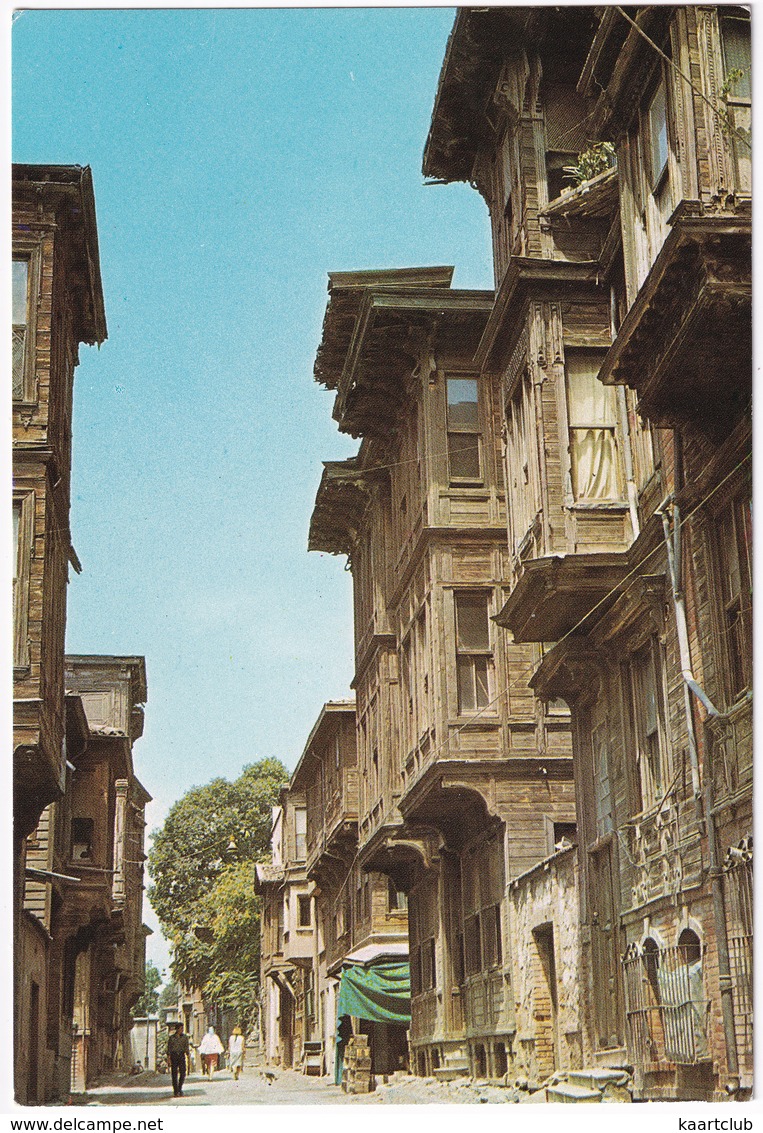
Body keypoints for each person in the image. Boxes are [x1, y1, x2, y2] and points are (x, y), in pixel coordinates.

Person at [167, 1023, 191, 1097]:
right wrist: (168, 1059)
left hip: (181, 1055)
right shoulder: (172, 1038)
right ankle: (175, 1090)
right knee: (174, 1074)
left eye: (182, 1029)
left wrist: (188, 1056)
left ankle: (179, 1088)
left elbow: (186, 1048)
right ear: (177, 1029)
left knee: (183, 1073)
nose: (182, 1030)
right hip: (174, 1056)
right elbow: (169, 1049)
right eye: (180, 1029)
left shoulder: (184, 1037)